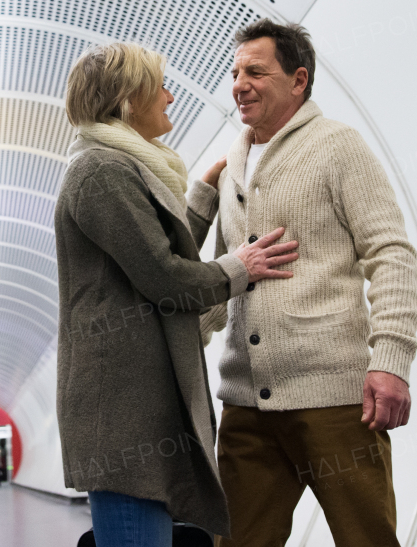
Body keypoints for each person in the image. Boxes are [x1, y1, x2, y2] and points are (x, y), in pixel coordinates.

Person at [54, 42, 301, 547]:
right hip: (123, 418)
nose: (170, 96)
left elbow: (152, 252)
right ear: (126, 101)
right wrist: (241, 267)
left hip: (139, 407)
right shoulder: (101, 171)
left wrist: (205, 193)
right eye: (159, 88)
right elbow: (166, 277)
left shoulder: (122, 166)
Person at [202, 20, 417, 547]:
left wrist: (390, 361)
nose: (239, 83)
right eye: (235, 72)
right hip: (245, 406)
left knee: (365, 539)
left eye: (256, 71)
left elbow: (390, 253)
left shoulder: (338, 146)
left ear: (298, 80)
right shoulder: (229, 166)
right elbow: (218, 277)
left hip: (336, 400)